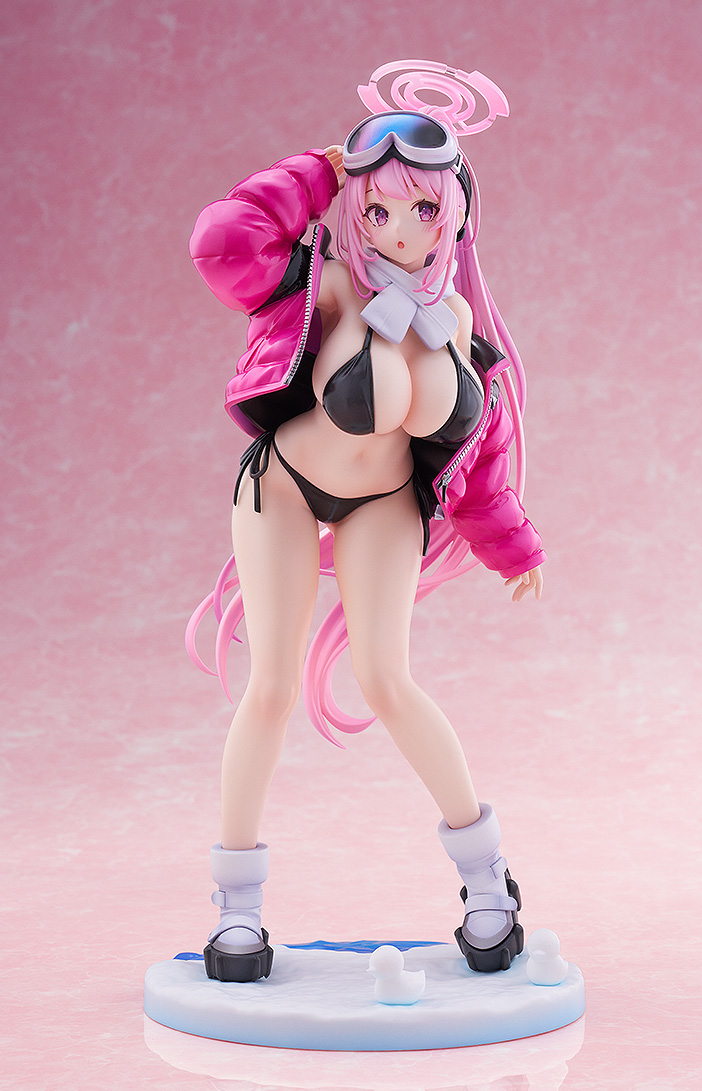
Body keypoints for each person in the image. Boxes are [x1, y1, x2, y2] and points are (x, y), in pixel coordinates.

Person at [187, 70, 545, 983]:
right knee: (271, 686)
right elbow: (223, 242)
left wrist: (511, 544)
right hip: (286, 487)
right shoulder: (328, 284)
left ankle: (489, 882)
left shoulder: (457, 318)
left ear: (451, 215)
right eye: (379, 209)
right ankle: (237, 908)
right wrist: (317, 170)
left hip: (384, 504)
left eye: (422, 210)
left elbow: (482, 454)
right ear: (357, 208)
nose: (401, 229)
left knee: (389, 679)